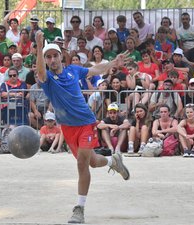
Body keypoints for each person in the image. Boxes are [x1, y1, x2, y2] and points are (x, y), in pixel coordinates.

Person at [36, 31, 130, 224]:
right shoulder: (46, 80)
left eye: (55, 55)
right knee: (93, 163)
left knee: (81, 164)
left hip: (86, 122)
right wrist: (38, 47)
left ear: (61, 56)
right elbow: (40, 72)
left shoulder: (74, 70)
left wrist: (113, 63)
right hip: (68, 128)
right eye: (48, 57)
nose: (52, 59)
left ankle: (79, 208)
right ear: (45, 60)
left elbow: (95, 70)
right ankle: (114, 161)